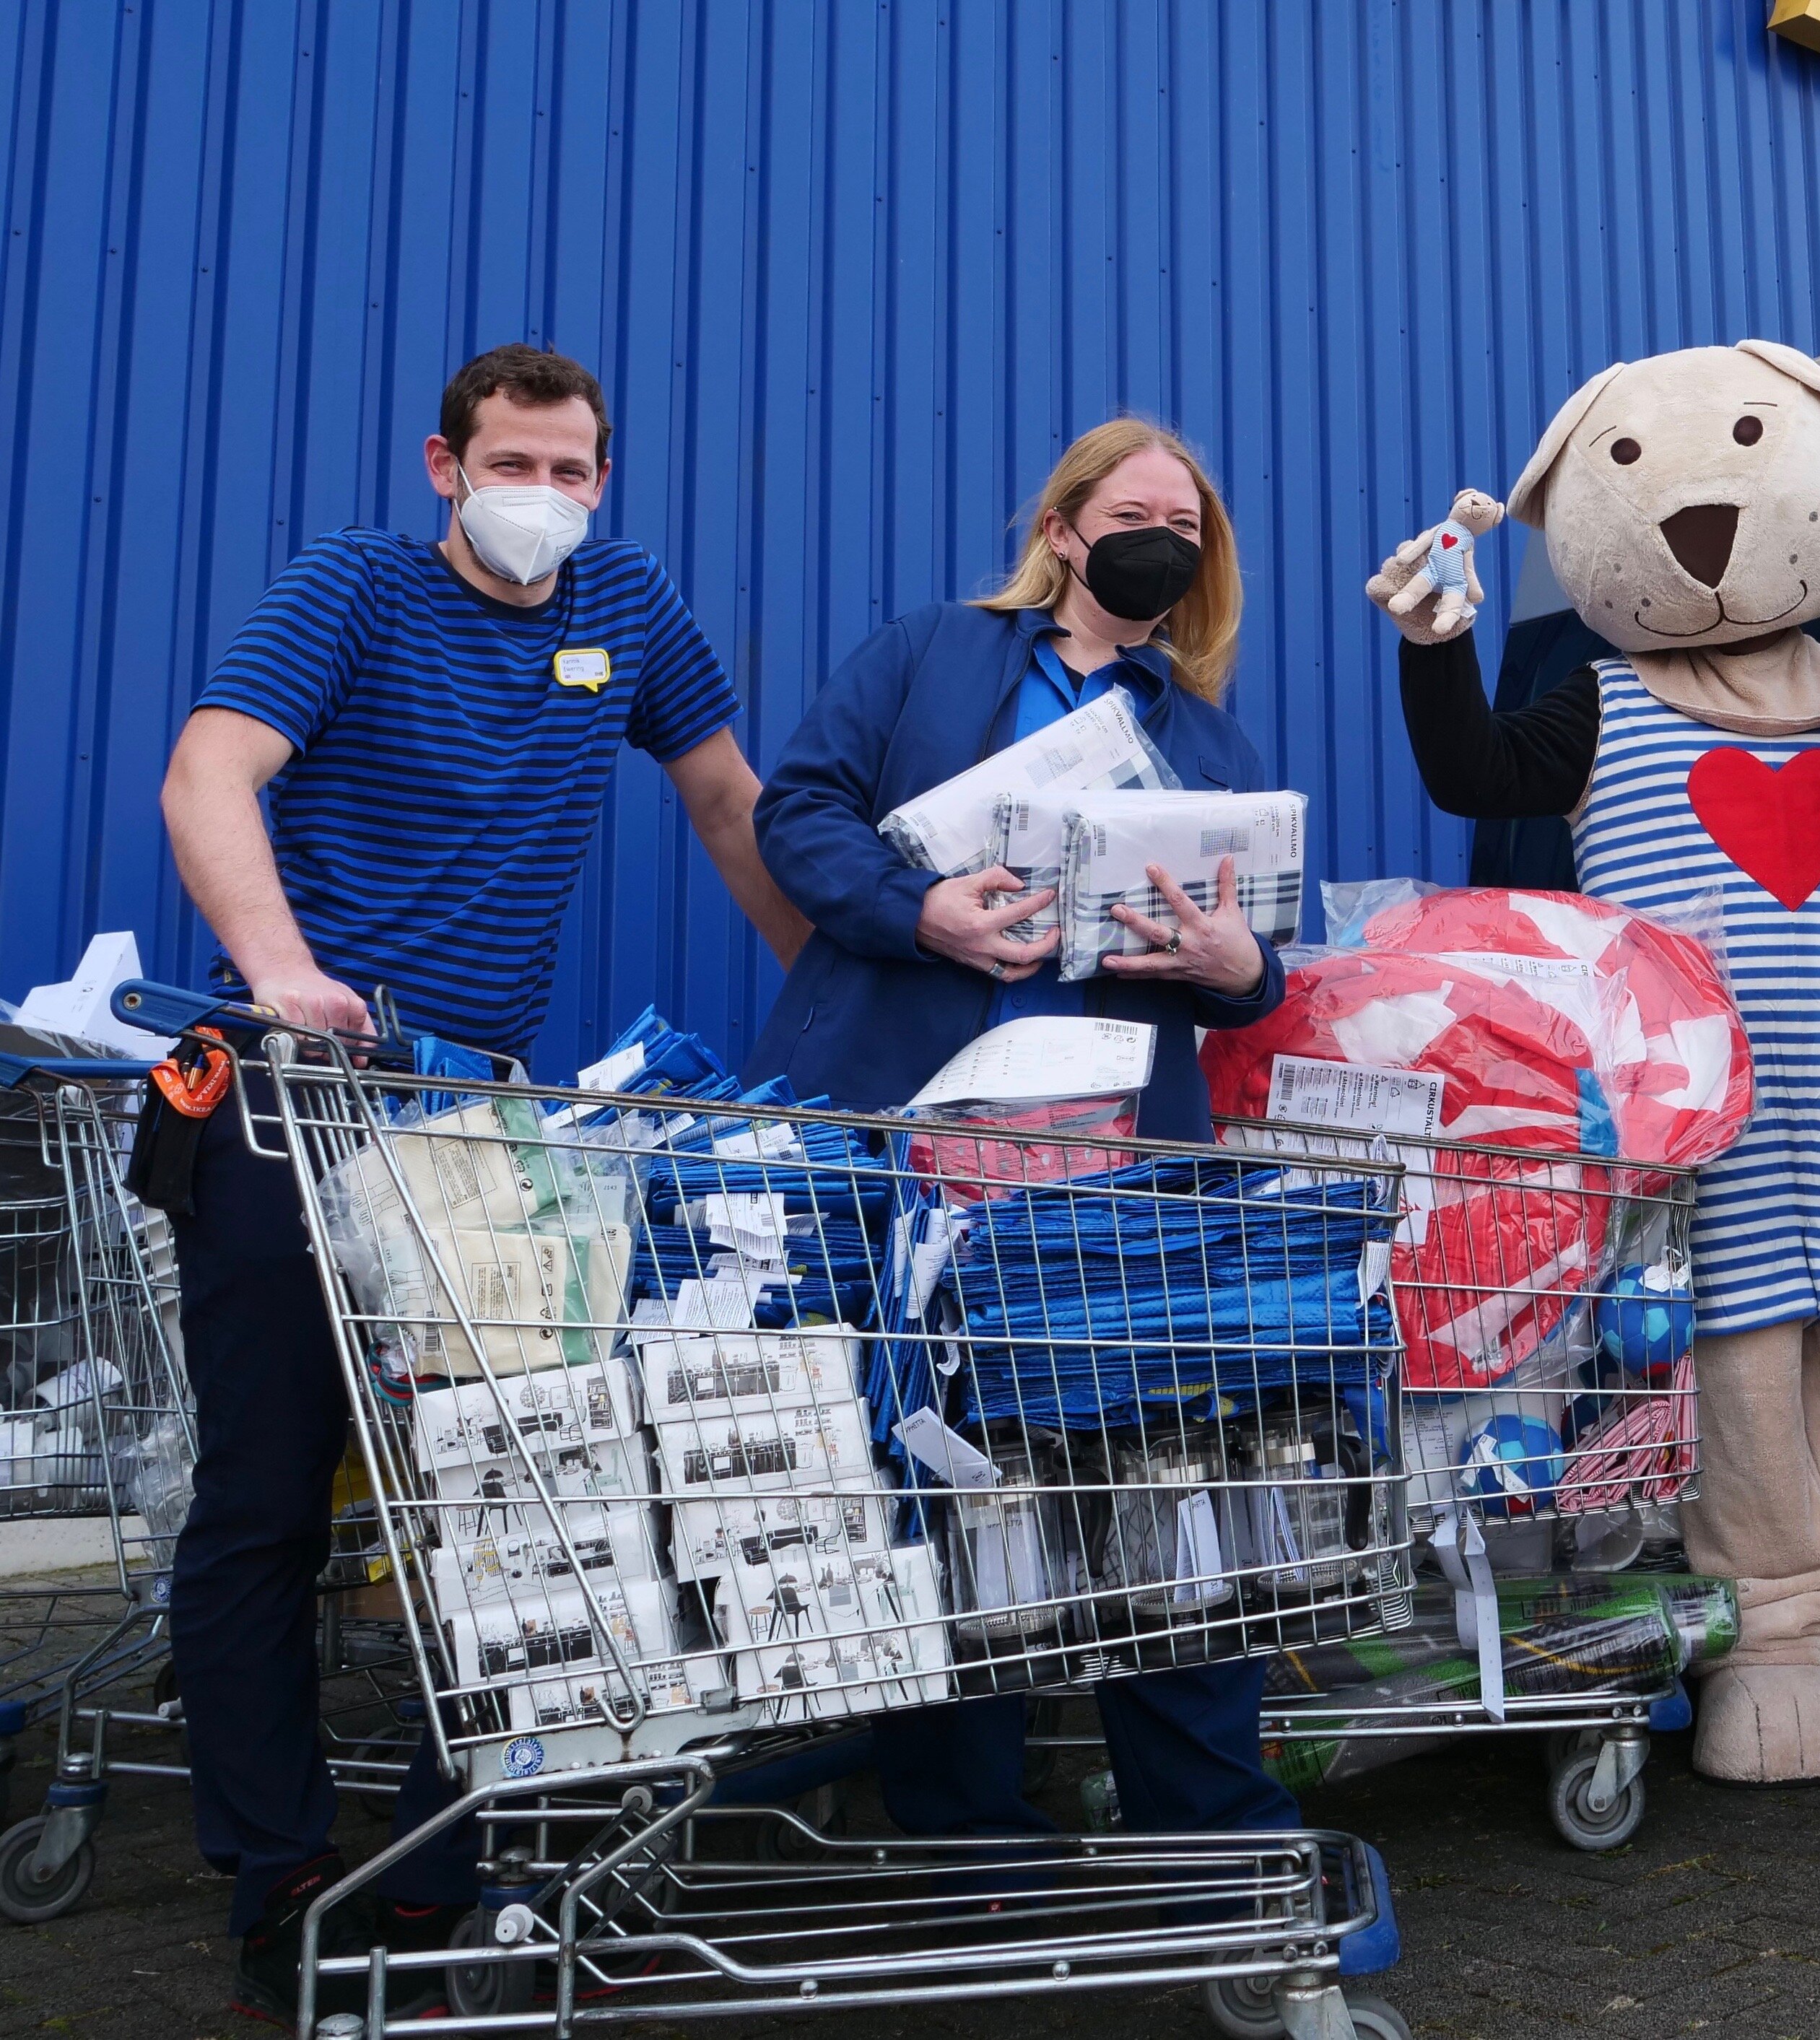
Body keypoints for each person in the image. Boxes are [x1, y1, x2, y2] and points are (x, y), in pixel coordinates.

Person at [157, 342, 804, 2021]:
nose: (544, 499)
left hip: (468, 1136)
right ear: (445, 466)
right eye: (511, 464)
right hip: (289, 1103)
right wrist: (285, 967)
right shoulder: (354, 590)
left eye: (573, 470)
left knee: (495, 1496)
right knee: (271, 1492)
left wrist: (833, 992)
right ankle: (281, 1867)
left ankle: (448, 1864)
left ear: (604, 479)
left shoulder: (628, 607)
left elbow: (729, 804)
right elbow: (211, 768)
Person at [741, 417, 1297, 1844]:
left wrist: (1243, 974)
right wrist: (908, 906)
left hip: (1107, 1156)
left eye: (1186, 521)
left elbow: (1256, 957)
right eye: (1132, 511)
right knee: (932, 1465)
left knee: (1153, 1464)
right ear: (1060, 530)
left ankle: (1208, 1827)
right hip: (912, 1122)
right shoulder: (928, 654)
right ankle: (958, 1827)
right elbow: (798, 810)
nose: (1160, 538)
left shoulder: (1206, 734)